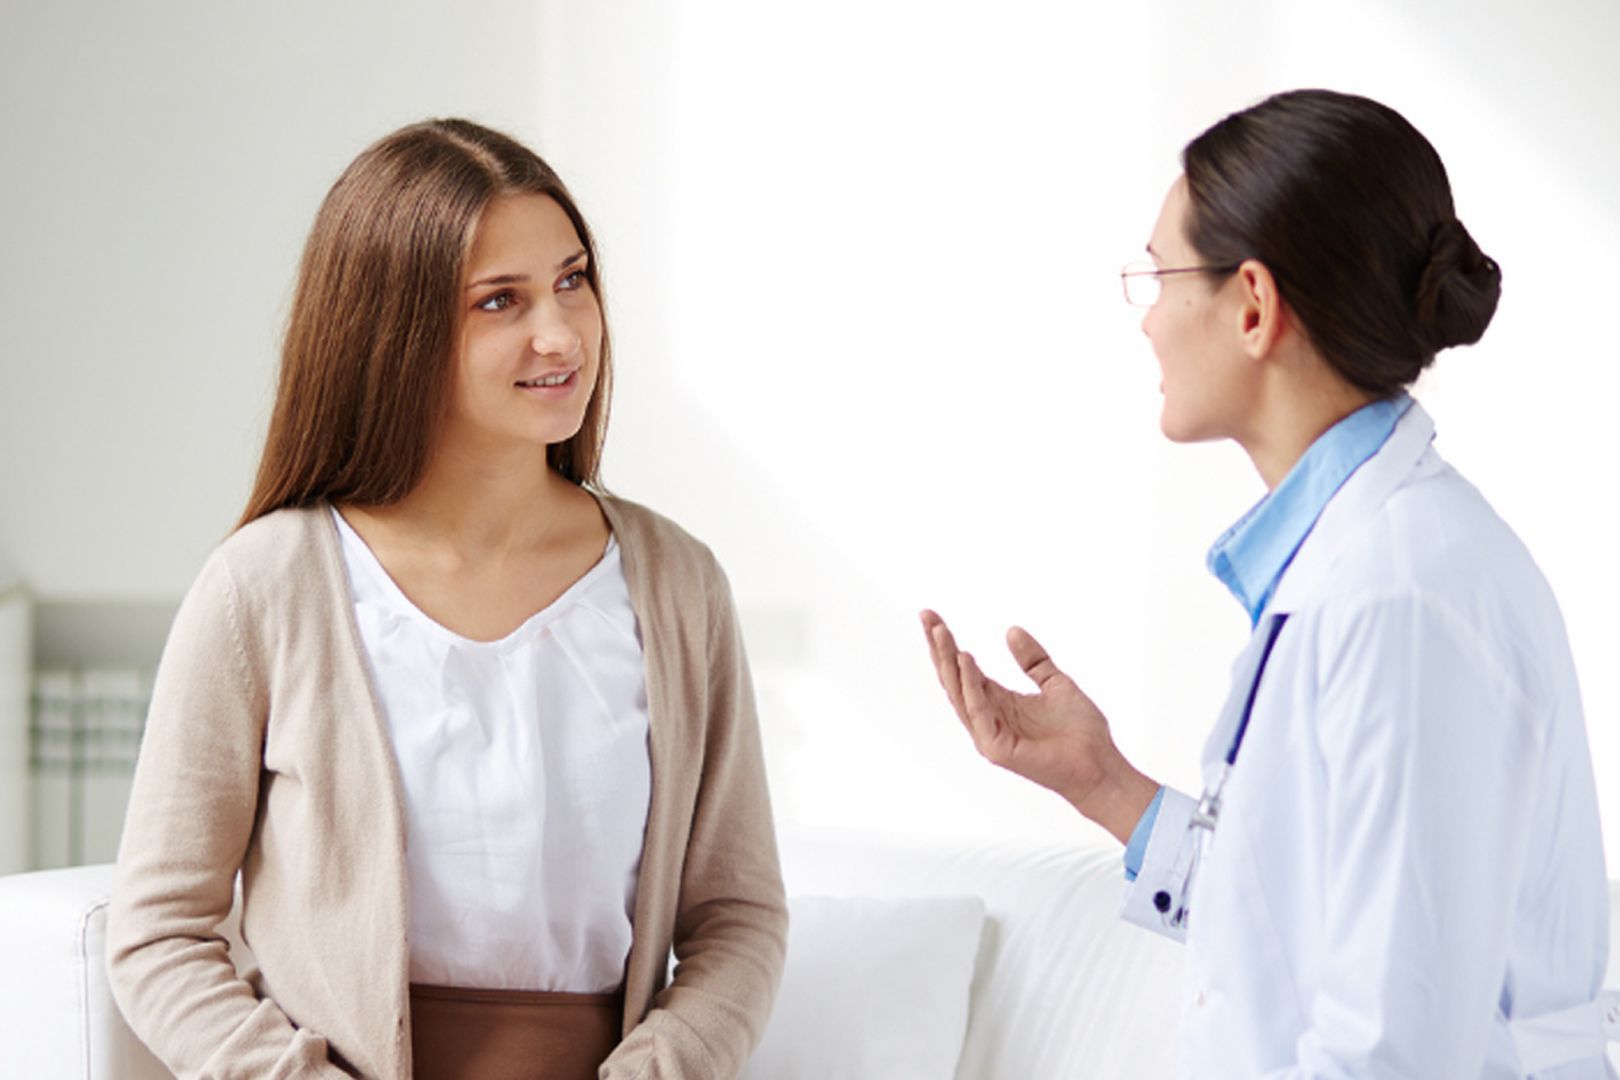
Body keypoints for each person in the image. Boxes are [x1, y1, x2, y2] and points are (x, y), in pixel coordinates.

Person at [922, 89, 1612, 1077]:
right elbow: (1303, 932)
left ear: (1253, 304)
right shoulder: (1361, 565)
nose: (1149, 321)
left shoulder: (1403, 600)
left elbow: (1391, 1050)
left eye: (1160, 277)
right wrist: (1104, 783)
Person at [106, 118, 787, 1080]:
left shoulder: (677, 587)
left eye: (572, 279)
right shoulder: (264, 588)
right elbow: (158, 932)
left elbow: (739, 915)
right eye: (499, 300)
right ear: (396, 329)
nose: (559, 332)